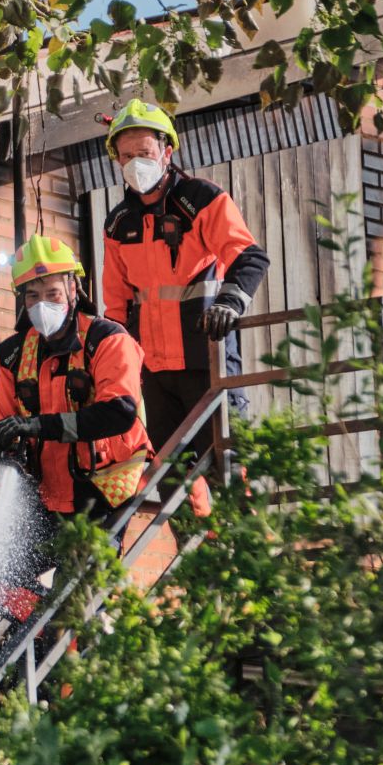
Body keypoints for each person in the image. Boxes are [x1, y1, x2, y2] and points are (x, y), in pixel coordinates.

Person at [98, 99, 271, 512]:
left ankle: (247, 546)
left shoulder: (201, 199)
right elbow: (117, 307)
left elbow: (250, 257)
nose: (135, 163)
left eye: (144, 153)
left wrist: (230, 302)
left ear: (167, 151)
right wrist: (116, 370)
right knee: (171, 480)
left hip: (205, 358)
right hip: (153, 374)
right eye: (126, 156)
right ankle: (199, 549)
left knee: (228, 466)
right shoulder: (118, 224)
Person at [0, 236, 154, 547]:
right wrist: (7, 452)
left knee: (80, 576)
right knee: (5, 574)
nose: (42, 304)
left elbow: (119, 412)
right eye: (33, 296)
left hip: (103, 493)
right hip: (44, 495)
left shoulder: (108, 339)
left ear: (74, 289)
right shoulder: (12, 355)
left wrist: (37, 426)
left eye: (53, 294)